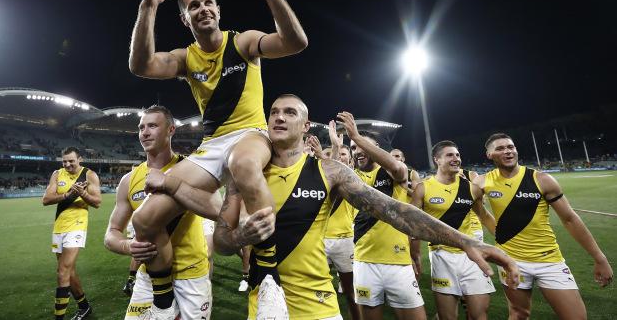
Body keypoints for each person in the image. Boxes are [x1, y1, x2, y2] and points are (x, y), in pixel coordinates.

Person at [164, 94, 520, 320]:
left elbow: (396, 212)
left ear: (305, 127)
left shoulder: (331, 171)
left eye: (290, 112)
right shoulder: (244, 171)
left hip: (319, 301)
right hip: (267, 301)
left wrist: (466, 241)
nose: (279, 117)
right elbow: (223, 242)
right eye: (273, 111)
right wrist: (241, 235)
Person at [128, 0, 307, 318]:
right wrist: (148, 5)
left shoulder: (242, 43)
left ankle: (268, 275)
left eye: (208, 2)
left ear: (218, 9)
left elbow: (295, 42)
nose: (203, 8)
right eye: (194, 5)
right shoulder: (185, 58)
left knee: (241, 162)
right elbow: (141, 66)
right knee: (144, 221)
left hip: (250, 136)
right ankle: (163, 299)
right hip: (211, 146)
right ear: (184, 18)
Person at [472, 133, 613, 320]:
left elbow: (570, 219)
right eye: (500, 148)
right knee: (519, 314)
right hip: (510, 261)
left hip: (549, 260)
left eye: (510, 147)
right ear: (489, 154)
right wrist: (499, 234)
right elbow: (478, 212)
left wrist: (599, 257)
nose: (507, 151)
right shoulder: (481, 182)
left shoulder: (542, 179)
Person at [103, 105, 214, 320]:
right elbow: (111, 233)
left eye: (152, 126)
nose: (144, 132)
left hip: (190, 276)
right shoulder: (129, 180)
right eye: (141, 127)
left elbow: (216, 208)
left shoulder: (191, 169)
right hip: (148, 277)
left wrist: (172, 185)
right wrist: (128, 246)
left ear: (171, 130)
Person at [338, 111, 427, 320]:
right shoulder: (351, 177)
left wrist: (357, 137)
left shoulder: (389, 173)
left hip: (398, 261)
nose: (357, 151)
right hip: (364, 261)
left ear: (376, 150)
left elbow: (397, 167)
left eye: (362, 148)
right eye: (353, 149)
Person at [411, 141, 496, 320]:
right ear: (437, 160)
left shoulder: (472, 189)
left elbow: (485, 217)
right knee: (447, 317)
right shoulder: (423, 188)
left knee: (479, 315)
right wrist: (412, 256)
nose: (456, 158)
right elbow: (412, 226)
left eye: (457, 155)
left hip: (471, 256)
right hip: (441, 257)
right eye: (450, 155)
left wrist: (506, 240)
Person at [42, 147, 102, 320]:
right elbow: (46, 199)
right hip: (59, 226)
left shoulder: (89, 175)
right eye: (65, 161)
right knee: (69, 271)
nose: (67, 164)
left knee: (62, 271)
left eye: (71, 161)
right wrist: (68, 194)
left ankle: (58, 317)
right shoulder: (57, 174)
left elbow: (97, 202)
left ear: (79, 159)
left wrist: (82, 193)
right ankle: (84, 307)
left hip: (77, 225)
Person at [323, 120, 360, 320]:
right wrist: (334, 148)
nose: (338, 158)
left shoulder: (354, 177)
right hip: (320, 240)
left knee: (350, 292)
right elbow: (330, 170)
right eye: (336, 155)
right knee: (318, 287)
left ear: (350, 159)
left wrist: (337, 147)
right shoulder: (321, 176)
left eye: (344, 154)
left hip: (345, 240)